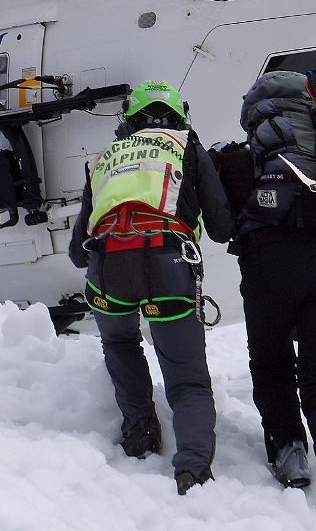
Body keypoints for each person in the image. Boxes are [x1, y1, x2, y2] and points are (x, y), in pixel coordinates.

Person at [69, 79, 233, 495]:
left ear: (129, 119)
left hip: (107, 265)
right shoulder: (186, 146)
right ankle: (193, 469)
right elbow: (222, 226)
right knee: (187, 376)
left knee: (120, 343)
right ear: (181, 117)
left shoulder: (102, 159)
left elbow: (76, 251)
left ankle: (140, 431)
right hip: (168, 262)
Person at [219, 70, 316, 513]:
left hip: (270, 269)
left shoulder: (241, 159)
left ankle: (290, 453)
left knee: (272, 367)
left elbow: (224, 225)